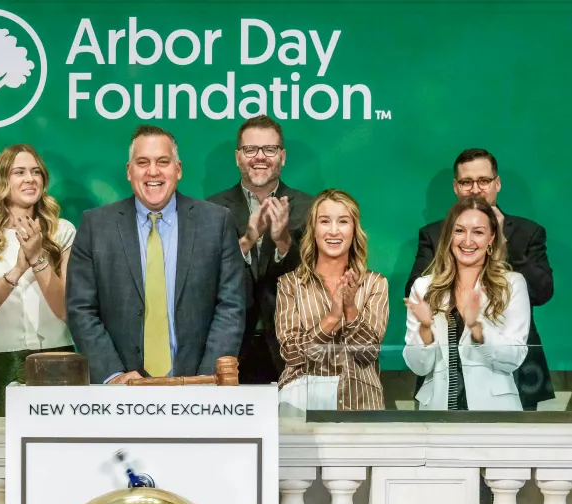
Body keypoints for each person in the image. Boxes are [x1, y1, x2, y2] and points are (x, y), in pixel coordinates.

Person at [66, 125, 246, 384]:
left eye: (163, 161)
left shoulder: (216, 222)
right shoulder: (95, 226)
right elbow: (81, 309)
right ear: (129, 171)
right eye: (142, 162)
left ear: (179, 169)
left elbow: (231, 306)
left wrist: (207, 379)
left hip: (199, 390)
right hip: (121, 395)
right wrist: (113, 375)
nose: (153, 171)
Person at [404, 148, 553, 409]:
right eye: (466, 182)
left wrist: (503, 243)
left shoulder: (527, 232)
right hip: (443, 377)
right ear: (455, 186)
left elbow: (541, 292)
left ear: (497, 183)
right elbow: (418, 293)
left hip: (514, 370)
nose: (476, 189)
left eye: (483, 181)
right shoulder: (434, 233)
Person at [0, 144, 76, 416]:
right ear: (3, 181)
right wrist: (15, 272)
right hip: (0, 362)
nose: (30, 178)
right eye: (20, 172)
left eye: (36, 172)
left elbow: (64, 309)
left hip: (57, 359)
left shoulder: (63, 231)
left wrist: (38, 259)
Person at [206, 115, 313, 385]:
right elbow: (203, 279)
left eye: (269, 149)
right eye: (250, 149)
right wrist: (247, 241)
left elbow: (316, 280)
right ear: (238, 157)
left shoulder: (310, 209)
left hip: (292, 350)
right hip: (228, 351)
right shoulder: (210, 210)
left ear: (283, 156)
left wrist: (283, 241)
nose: (260, 157)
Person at [403, 195, 529, 410]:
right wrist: (425, 329)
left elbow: (514, 358)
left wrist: (477, 330)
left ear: (491, 238)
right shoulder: (424, 287)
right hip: (439, 413)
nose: (467, 241)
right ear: (448, 236)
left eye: (478, 232)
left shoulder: (512, 284)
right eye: (459, 230)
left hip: (493, 413)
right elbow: (418, 367)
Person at [274, 189, 388, 410]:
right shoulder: (289, 284)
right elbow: (291, 353)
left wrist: (349, 308)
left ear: (354, 230)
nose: (334, 231)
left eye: (343, 222)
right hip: (301, 398)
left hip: (360, 400)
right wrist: (333, 317)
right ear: (313, 230)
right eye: (325, 221)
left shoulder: (375, 284)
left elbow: (367, 353)